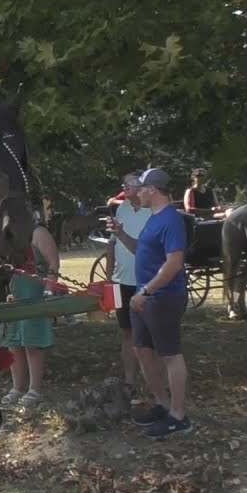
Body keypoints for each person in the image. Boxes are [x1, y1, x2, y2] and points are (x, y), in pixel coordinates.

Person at [112, 167, 191, 438]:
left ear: (152, 190)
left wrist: (145, 292)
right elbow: (139, 249)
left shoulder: (171, 220)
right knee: (142, 350)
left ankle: (179, 416)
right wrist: (121, 234)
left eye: (141, 188)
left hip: (163, 297)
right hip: (143, 296)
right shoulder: (153, 218)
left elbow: (174, 263)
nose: (136, 193)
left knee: (170, 354)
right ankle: (162, 403)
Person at [0, 208, 61, 407]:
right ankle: (17, 387)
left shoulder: (38, 233)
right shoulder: (6, 234)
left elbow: (53, 263)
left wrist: (50, 289)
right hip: (13, 295)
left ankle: (35, 388)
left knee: (32, 342)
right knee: (13, 341)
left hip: (33, 293)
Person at [106, 172, 153, 395]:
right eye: (123, 182)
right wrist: (108, 273)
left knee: (148, 332)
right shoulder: (122, 208)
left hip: (145, 282)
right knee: (126, 331)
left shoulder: (152, 210)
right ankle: (129, 380)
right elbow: (112, 241)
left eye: (130, 183)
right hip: (120, 280)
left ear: (141, 186)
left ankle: (151, 380)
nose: (124, 186)